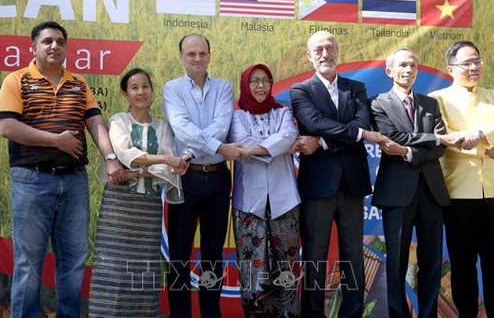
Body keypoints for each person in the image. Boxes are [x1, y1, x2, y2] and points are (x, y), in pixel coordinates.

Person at [0, 20, 124, 317]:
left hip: (74, 182)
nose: (54, 46)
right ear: (34, 47)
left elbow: (95, 123)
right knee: (28, 263)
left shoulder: (79, 84)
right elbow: (7, 127)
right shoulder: (16, 81)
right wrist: (57, 141)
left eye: (60, 42)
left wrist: (110, 157)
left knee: (74, 260)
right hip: (31, 181)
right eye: (47, 41)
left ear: (66, 48)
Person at [290, 30, 384, 318]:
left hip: (352, 184)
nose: (324, 54)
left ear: (338, 52)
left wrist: (322, 140)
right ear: (309, 56)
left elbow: (362, 120)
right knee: (315, 258)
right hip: (318, 185)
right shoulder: (301, 91)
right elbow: (313, 121)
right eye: (318, 49)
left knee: (353, 256)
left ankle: (352, 314)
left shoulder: (356, 89)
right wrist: (354, 134)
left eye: (329, 48)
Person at [369, 48, 462, 318]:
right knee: (397, 263)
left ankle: (428, 314)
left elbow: (441, 146)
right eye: (402, 66)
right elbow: (391, 137)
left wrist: (409, 151)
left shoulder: (430, 104)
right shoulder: (378, 103)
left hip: (431, 192)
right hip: (396, 194)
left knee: (431, 261)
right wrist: (432, 140)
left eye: (412, 65)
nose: (408, 70)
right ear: (389, 71)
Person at [428, 40, 494, 318]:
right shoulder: (437, 98)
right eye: (467, 63)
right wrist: (487, 144)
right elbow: (446, 136)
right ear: (451, 68)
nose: (474, 67)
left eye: (477, 61)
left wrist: (479, 136)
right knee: (463, 265)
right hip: (458, 191)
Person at [88, 68, 187, 317]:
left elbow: (165, 170)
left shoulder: (163, 126)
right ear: (125, 93)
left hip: (148, 207)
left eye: (145, 86)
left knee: (144, 268)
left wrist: (135, 172)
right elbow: (125, 154)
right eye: (134, 87)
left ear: (152, 91)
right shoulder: (118, 121)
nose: (141, 92)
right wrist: (164, 159)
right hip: (119, 207)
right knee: (112, 266)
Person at [163, 34, 242, 318]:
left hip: (218, 178)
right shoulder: (172, 89)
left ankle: (211, 313)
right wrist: (219, 147)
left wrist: (190, 153)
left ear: (209, 55)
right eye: (191, 54)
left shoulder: (223, 87)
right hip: (185, 180)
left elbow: (221, 125)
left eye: (202, 53)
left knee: (213, 253)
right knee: (179, 255)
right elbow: (181, 127)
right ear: (181, 56)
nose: (197, 58)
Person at [229, 64, 301, 318]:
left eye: (266, 81)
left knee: (287, 269)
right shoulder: (237, 116)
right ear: (245, 85)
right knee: (253, 269)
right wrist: (274, 148)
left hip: (285, 202)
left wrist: (253, 151)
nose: (260, 86)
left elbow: (288, 136)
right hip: (249, 203)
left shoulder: (283, 112)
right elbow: (241, 141)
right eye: (254, 81)